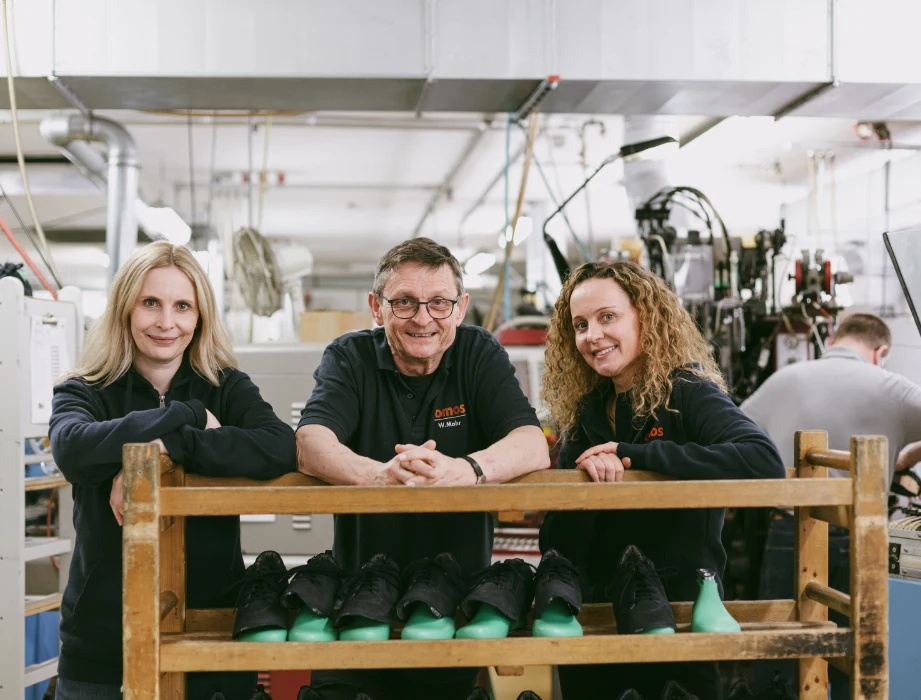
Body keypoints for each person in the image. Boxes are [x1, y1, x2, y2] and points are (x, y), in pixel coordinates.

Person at [296, 237, 550, 699]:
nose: (423, 318)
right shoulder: (348, 358)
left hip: (454, 609)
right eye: (405, 302)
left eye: (438, 303)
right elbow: (311, 443)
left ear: (460, 307)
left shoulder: (478, 353)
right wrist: (379, 475)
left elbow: (532, 444)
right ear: (377, 307)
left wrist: (466, 469)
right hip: (358, 606)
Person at [49, 242, 296, 700]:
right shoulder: (84, 390)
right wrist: (191, 416)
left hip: (209, 632)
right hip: (103, 649)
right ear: (125, 309)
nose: (167, 323)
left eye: (183, 306)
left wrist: (172, 446)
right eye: (151, 304)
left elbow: (280, 446)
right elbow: (72, 449)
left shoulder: (226, 387)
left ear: (200, 316)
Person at [539, 260, 784, 700]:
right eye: (580, 324)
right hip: (595, 613)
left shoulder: (686, 391)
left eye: (607, 317)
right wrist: (579, 482)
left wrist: (634, 456)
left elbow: (762, 459)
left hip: (678, 609)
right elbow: (559, 533)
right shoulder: (587, 411)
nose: (591, 335)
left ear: (645, 317)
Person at [741, 312, 921, 699]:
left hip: (788, 531)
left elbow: (731, 437)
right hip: (861, 537)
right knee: (853, 659)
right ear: (881, 351)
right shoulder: (893, 387)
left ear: (836, 339)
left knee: (780, 652)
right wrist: (901, 457)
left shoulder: (782, 381)